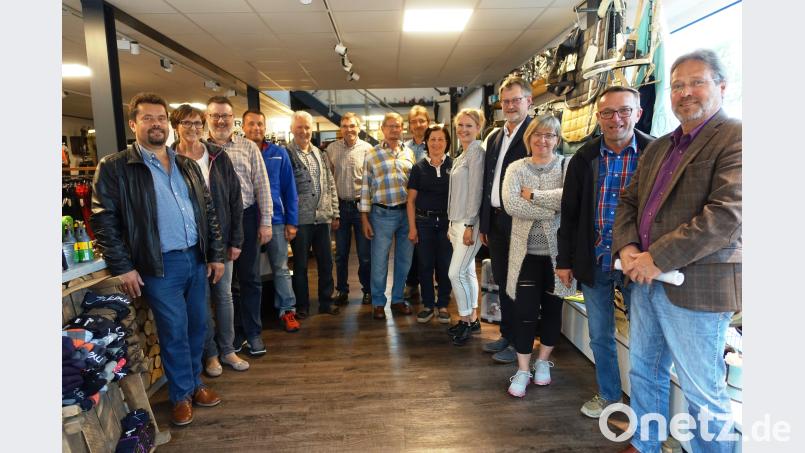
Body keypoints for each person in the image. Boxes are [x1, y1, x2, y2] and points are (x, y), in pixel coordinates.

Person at [614, 49, 741, 453]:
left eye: (697, 82)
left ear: (721, 87)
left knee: (702, 393)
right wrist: (631, 248)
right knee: (644, 372)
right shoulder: (660, 147)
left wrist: (656, 258)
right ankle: (646, 444)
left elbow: (726, 215)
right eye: (678, 86)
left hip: (697, 287)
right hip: (645, 282)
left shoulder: (736, 137)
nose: (686, 92)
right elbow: (629, 201)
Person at [91, 93, 225, 426]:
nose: (156, 124)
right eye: (148, 118)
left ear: (169, 123)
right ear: (134, 124)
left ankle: (195, 384)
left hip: (195, 258)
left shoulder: (186, 164)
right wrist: (123, 266)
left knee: (199, 326)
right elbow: (103, 218)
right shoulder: (115, 167)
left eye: (161, 118)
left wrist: (215, 255)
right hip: (158, 265)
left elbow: (207, 212)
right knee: (174, 329)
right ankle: (180, 395)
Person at [555, 86, 654, 418]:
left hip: (640, 264)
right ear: (598, 118)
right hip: (595, 259)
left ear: (638, 113)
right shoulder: (585, 157)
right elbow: (569, 213)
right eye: (608, 113)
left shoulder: (655, 153)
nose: (616, 119)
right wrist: (564, 261)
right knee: (600, 335)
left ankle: (644, 408)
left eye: (624, 110)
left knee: (644, 341)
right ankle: (610, 395)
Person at [170, 104, 251, 376]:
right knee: (200, 300)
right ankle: (210, 354)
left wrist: (236, 240)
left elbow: (235, 199)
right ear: (176, 126)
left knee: (224, 295)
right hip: (191, 242)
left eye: (196, 123)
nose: (193, 128)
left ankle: (228, 349)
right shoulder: (169, 159)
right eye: (186, 123)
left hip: (222, 239)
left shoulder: (216, 155)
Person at [501, 114, 574, 397]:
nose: (543, 140)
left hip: (559, 256)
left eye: (550, 135)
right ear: (529, 137)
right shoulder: (516, 168)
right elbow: (510, 204)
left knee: (554, 311)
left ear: (557, 139)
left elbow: (568, 199)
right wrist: (551, 208)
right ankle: (522, 369)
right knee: (524, 313)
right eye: (538, 135)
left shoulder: (567, 165)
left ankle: (542, 363)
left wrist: (531, 196)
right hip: (525, 254)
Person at [206, 96, 273, 357]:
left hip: (245, 217)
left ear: (232, 119)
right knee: (221, 284)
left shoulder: (247, 147)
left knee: (250, 280)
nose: (221, 121)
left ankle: (253, 332)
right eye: (215, 116)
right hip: (212, 223)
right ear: (207, 118)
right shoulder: (199, 149)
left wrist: (265, 222)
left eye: (225, 116)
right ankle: (230, 336)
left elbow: (262, 185)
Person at [479, 75, 533, 364]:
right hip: (498, 223)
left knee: (520, 285)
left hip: (522, 223)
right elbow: (489, 181)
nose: (510, 106)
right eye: (506, 101)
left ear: (528, 100)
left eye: (516, 100)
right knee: (502, 282)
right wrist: (485, 223)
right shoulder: (497, 136)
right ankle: (507, 335)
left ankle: (520, 343)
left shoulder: (535, 134)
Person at [242, 109, 301, 332]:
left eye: (260, 124)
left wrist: (291, 222)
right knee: (249, 271)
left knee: (281, 267)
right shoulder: (238, 152)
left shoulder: (279, 153)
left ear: (264, 128)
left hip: (276, 220)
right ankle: (252, 315)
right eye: (251, 124)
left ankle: (287, 310)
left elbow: (289, 189)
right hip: (248, 221)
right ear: (244, 127)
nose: (256, 128)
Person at [360, 112, 417, 320]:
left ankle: (398, 299)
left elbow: (414, 187)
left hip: (406, 214)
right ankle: (377, 302)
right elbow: (365, 188)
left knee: (404, 260)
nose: (394, 130)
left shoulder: (409, 153)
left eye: (398, 126)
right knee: (379, 260)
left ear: (402, 129)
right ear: (383, 129)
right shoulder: (372, 155)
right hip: (381, 214)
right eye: (390, 126)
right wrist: (364, 218)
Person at [286, 111, 340, 316]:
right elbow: (285, 188)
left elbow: (330, 184)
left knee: (326, 262)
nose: (304, 131)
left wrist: (335, 212)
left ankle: (326, 301)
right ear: (292, 129)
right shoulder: (287, 153)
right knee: (300, 265)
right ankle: (302, 306)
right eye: (299, 127)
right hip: (300, 219)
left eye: (307, 127)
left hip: (323, 217)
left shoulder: (320, 153)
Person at [446, 108, 486, 346]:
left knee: (455, 273)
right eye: (460, 125)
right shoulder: (462, 154)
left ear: (478, 128)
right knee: (468, 271)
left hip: (469, 222)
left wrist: (470, 224)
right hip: (457, 221)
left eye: (469, 125)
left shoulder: (477, 154)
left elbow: (475, 192)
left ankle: (464, 322)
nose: (463, 129)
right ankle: (472, 318)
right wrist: (452, 223)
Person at [406, 125, 453, 325]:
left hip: (447, 224)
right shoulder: (418, 168)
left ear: (447, 143)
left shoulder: (455, 165)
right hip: (424, 222)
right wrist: (412, 228)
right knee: (425, 265)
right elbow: (410, 201)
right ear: (426, 142)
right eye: (432, 139)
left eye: (440, 139)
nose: (436, 143)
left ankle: (442, 304)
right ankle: (427, 305)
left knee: (445, 265)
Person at [326, 112, 374, 306]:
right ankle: (342, 290)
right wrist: (332, 211)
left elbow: (372, 182)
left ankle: (368, 290)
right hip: (340, 208)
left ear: (359, 127)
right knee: (340, 254)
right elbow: (328, 181)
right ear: (341, 128)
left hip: (361, 209)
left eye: (352, 125)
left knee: (364, 255)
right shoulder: (331, 149)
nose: (349, 129)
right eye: (345, 126)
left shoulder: (368, 150)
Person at [403, 105, 431, 303]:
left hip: (431, 206)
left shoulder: (436, 144)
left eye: (422, 120)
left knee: (430, 250)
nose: (418, 124)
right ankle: (412, 284)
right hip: (410, 206)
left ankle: (431, 285)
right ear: (409, 125)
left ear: (428, 123)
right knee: (410, 248)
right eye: (414, 121)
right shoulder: (404, 149)